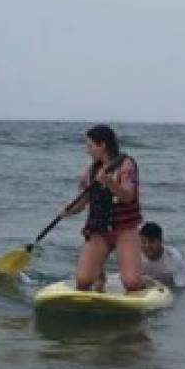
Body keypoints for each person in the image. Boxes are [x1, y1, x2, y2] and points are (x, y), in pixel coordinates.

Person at [58, 125, 143, 292]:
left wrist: (110, 183)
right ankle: (100, 273)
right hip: (99, 230)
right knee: (82, 282)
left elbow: (128, 196)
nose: (87, 150)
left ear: (102, 145)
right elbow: (82, 203)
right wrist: (67, 210)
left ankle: (135, 273)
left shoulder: (127, 164)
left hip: (124, 229)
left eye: (90, 145)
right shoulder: (90, 171)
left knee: (132, 284)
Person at [139, 222, 185, 288]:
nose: (147, 246)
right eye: (143, 241)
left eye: (151, 241)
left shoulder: (174, 260)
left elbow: (183, 288)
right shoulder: (136, 256)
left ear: (160, 241)